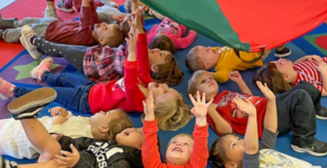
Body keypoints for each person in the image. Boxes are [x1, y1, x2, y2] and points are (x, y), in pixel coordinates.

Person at [0, 13, 191, 132]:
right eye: (168, 87)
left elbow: (131, 75)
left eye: (165, 91)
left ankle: (12, 91)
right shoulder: (147, 80)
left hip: (84, 102)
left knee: (51, 94)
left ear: (154, 105)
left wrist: (130, 51)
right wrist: (138, 30)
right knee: (64, 77)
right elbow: (142, 59)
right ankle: (42, 74)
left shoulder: (138, 101)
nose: (164, 85)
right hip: (91, 88)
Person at [0, 87, 144, 168]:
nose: (135, 128)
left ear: (141, 148)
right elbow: (78, 142)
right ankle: (26, 116)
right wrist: (62, 139)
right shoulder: (102, 143)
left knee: (64, 166)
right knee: (53, 147)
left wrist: (78, 164)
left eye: (141, 132)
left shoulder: (123, 165)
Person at [188, 70, 327, 156]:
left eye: (210, 78)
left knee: (305, 86)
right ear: (196, 94)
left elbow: (248, 96)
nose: (209, 81)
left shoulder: (225, 93)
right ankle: (303, 141)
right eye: (203, 82)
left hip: (269, 103)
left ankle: (315, 108)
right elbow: (226, 131)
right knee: (300, 96)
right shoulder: (210, 110)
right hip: (269, 121)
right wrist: (211, 110)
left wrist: (239, 81)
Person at [18, 12, 183, 85]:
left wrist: (135, 30)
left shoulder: (141, 67)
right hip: (97, 53)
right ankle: (38, 48)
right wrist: (135, 14)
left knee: (64, 49)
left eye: (160, 54)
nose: (156, 50)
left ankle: (35, 42)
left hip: (91, 65)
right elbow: (139, 35)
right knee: (65, 49)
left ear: (154, 67)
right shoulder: (143, 53)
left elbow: (137, 42)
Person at [138, 90, 210, 168]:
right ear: (165, 155)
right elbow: (149, 147)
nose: (178, 144)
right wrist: (149, 116)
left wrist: (201, 119)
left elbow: (200, 150)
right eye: (174, 142)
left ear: (192, 156)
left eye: (186, 144)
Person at [0, 106, 131, 159]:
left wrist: (57, 122)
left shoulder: (81, 140)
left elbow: (52, 144)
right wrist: (64, 113)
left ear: (103, 127)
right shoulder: (88, 122)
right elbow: (71, 118)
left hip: (15, 140)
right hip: (18, 124)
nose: (102, 111)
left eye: (106, 113)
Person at [15, 0, 124, 60]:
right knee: (25, 21)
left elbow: (85, 17)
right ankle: (7, 22)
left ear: (101, 40)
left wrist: (85, 3)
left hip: (47, 33)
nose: (104, 23)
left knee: (16, 32)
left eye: (106, 28)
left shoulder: (86, 38)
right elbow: (91, 13)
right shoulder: (93, 29)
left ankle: (3, 32)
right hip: (54, 24)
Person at [254, 55, 327, 96]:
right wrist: (324, 72)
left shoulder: (293, 70)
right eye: (280, 63)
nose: (281, 58)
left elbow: (296, 64)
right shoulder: (304, 84)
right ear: (286, 77)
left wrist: (306, 58)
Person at [185, 44, 291, 83]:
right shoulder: (223, 67)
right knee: (273, 37)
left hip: (247, 44)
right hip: (255, 54)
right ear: (207, 64)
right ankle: (281, 49)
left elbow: (208, 51)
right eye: (207, 50)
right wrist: (208, 74)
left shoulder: (215, 52)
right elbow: (222, 77)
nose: (209, 48)